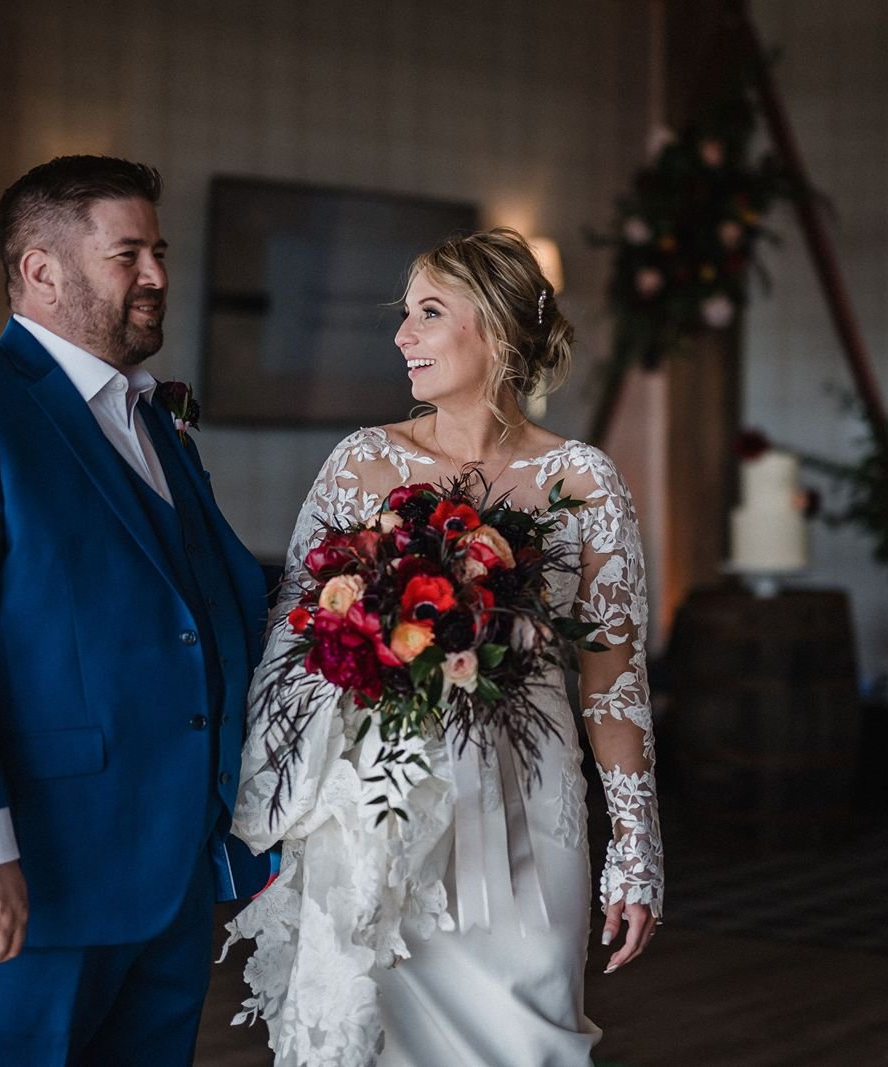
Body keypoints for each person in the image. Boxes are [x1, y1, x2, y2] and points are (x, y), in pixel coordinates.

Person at [228, 228, 664, 1065]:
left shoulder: (585, 483)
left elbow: (614, 681)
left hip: (533, 820)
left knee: (533, 1040)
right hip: (379, 821)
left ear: (496, 331)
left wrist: (636, 851)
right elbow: (293, 650)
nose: (402, 337)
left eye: (429, 313)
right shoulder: (361, 464)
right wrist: (290, 816)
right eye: (405, 315)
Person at [0, 155, 268, 1065]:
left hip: (171, 862)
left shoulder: (153, 419)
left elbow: (203, 600)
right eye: (128, 254)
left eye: (159, 251)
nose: (159, 276)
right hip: (35, 866)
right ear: (43, 271)